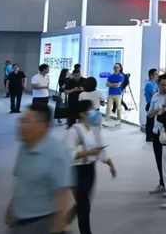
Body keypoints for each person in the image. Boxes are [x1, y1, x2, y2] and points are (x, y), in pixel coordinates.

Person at [5, 103, 72, 233]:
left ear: (43, 126)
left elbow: (63, 196)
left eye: (26, 122)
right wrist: (12, 206)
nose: (20, 126)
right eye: (21, 120)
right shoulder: (25, 147)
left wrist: (58, 229)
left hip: (40, 223)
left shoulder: (57, 154)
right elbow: (22, 181)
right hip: (19, 221)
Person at [65, 99, 117, 233]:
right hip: (77, 170)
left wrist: (111, 165)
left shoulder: (94, 129)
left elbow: (101, 150)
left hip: (90, 170)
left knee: (84, 201)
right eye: (92, 110)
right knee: (84, 205)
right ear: (82, 114)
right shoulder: (74, 131)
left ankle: (65, 220)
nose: (95, 112)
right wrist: (89, 152)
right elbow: (69, 154)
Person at [147, 74, 166, 195]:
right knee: (159, 160)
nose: (165, 87)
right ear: (158, 84)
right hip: (156, 132)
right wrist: (156, 111)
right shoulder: (155, 97)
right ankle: (162, 183)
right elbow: (149, 114)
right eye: (162, 85)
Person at [144, 68, 159, 142]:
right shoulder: (149, 84)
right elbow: (154, 94)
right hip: (150, 104)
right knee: (150, 122)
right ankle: (149, 137)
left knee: (152, 122)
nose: (157, 75)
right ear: (151, 75)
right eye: (156, 74)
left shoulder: (155, 83)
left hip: (154, 104)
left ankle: (152, 135)